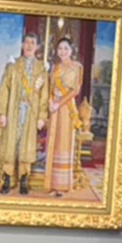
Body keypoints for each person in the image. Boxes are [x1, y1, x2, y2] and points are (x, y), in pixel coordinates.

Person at [0, 31, 47, 195]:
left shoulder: (42, 69)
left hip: (31, 113)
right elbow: (4, 90)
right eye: (27, 42)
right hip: (13, 111)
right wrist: (2, 113)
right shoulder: (13, 66)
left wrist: (41, 117)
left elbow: (44, 95)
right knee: (10, 144)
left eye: (33, 43)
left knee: (26, 145)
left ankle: (24, 178)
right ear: (22, 45)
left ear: (37, 47)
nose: (29, 45)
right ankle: (7, 179)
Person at [44, 36, 84, 195]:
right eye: (60, 48)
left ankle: (63, 185)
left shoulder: (77, 67)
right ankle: (52, 183)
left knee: (64, 142)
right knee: (54, 143)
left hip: (67, 108)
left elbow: (76, 90)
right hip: (54, 109)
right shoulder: (54, 68)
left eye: (66, 48)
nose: (62, 51)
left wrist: (59, 104)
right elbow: (50, 87)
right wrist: (50, 102)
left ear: (71, 50)